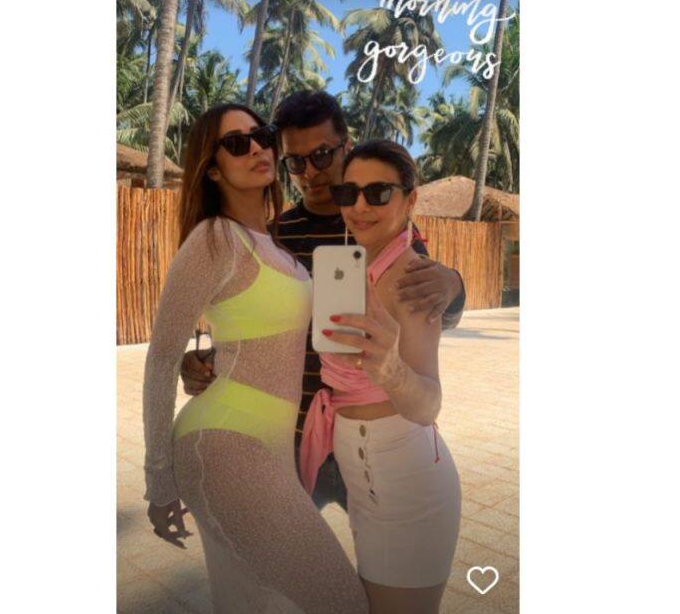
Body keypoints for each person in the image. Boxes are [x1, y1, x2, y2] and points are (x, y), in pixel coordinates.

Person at [181, 90, 466, 513]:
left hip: (372, 434)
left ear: (346, 146)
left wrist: (453, 287)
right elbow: (256, 329)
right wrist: (206, 362)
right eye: (295, 162)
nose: (310, 172)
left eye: (322, 155)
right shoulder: (274, 236)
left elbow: (429, 317)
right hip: (293, 436)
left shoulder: (381, 227)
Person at [142, 103, 368, 614]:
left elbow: (260, 332)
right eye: (236, 143)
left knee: (253, 602)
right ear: (212, 169)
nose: (258, 148)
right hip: (226, 444)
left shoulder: (272, 242)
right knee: (342, 602)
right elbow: (161, 359)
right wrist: (159, 482)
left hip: (273, 446)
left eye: (262, 135)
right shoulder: (214, 238)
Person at [301, 140, 461, 614]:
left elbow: (428, 405)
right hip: (365, 477)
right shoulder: (352, 267)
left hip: (405, 482)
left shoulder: (414, 279)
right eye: (348, 193)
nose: (360, 206)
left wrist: (390, 369)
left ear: (410, 200)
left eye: (378, 192)